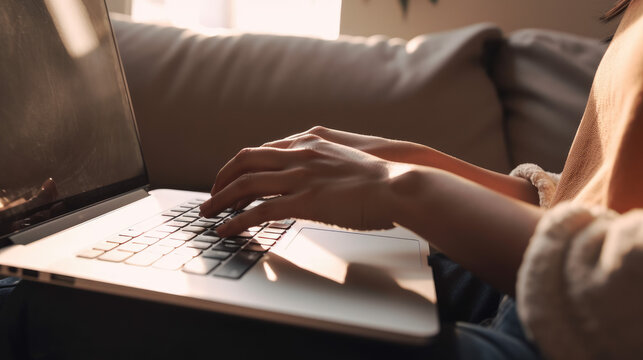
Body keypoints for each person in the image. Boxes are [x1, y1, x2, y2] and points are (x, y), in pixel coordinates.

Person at [1, 1, 641, 359]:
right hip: (527, 285)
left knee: (34, 307)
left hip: (578, 336)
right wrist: (410, 160)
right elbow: (596, 201)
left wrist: (399, 187)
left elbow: (619, 290)